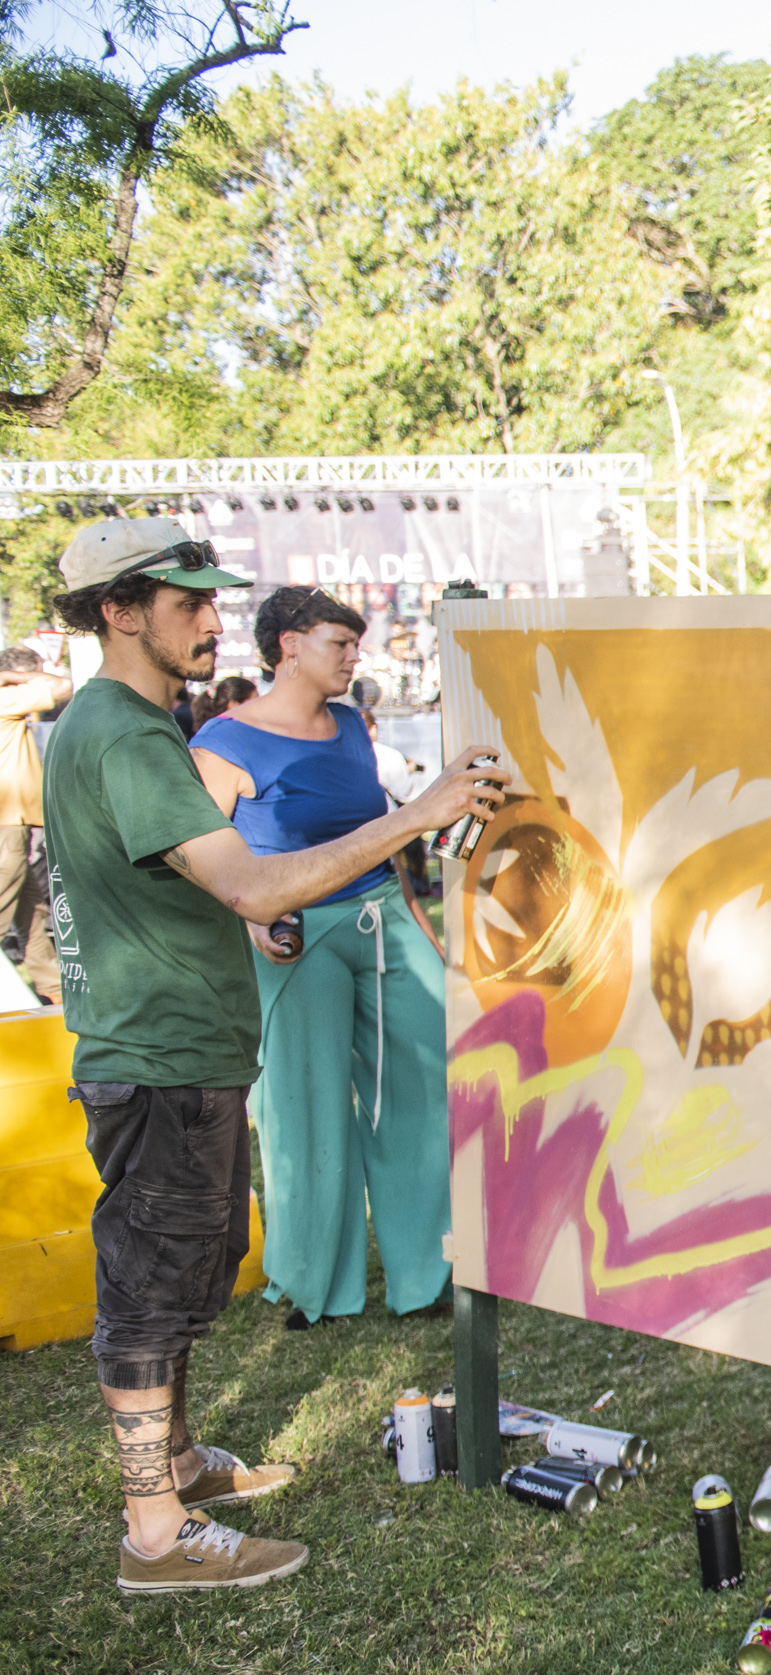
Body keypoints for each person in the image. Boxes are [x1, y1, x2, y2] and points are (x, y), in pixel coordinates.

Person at [42, 521, 500, 1593]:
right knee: (153, 1285)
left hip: (177, 1046)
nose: (212, 620)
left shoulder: (123, 723)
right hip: (156, 1055)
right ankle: (156, 1532)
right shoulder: (122, 732)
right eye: (187, 602)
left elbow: (211, 888)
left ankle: (184, 1467)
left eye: (212, 599)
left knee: (188, 1267)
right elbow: (254, 882)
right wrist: (420, 815)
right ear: (119, 609)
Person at [191, 586, 456, 1329]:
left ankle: (425, 1272)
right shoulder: (223, 741)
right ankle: (314, 1285)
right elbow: (201, 862)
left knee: (424, 1084)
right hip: (293, 932)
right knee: (303, 1107)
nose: (353, 656)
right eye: (339, 643)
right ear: (289, 646)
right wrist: (248, 926)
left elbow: (378, 832)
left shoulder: (347, 726)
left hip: (382, 919)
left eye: (354, 643)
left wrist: (419, 927)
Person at [3, 645, 72, 1003]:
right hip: (6, 823)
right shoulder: (7, 697)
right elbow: (63, 686)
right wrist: (15, 677)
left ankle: (52, 990)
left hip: (13, 821)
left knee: (32, 913)